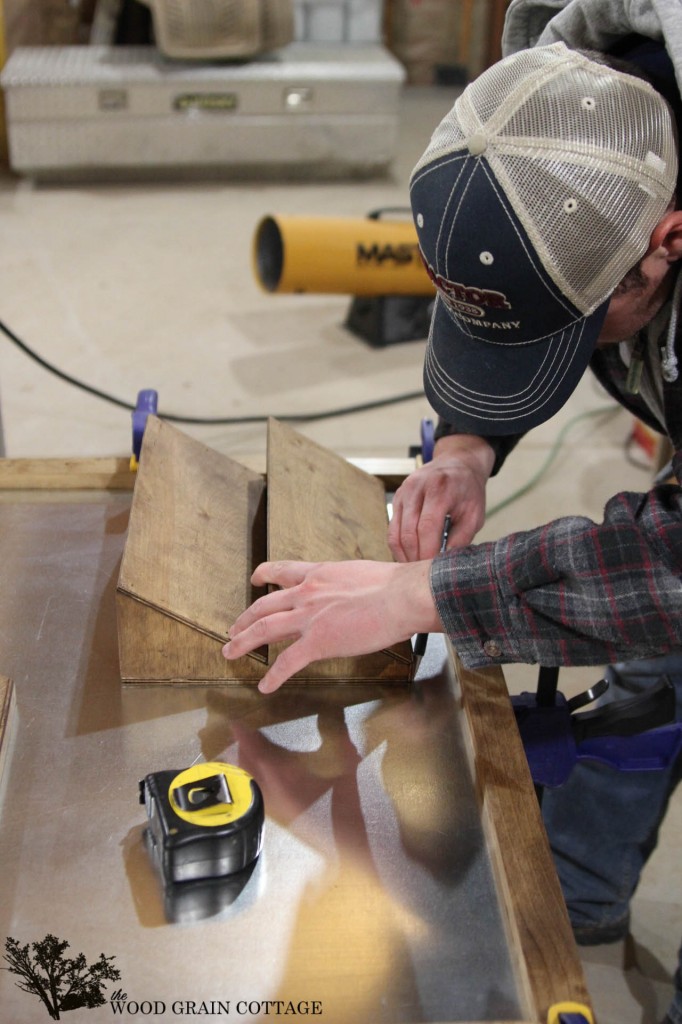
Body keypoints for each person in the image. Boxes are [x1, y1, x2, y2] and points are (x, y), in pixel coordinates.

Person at [223, 40, 682, 1022]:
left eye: (573, 327)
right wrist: (469, 442)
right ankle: (579, 903)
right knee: (650, 669)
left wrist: (428, 592)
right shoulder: (544, 119)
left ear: (667, 242)